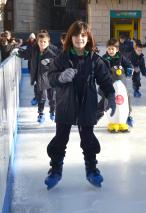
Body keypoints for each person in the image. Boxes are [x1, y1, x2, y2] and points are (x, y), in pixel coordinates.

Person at [45, 21, 116, 190]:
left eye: (83, 35)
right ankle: (55, 170)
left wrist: (111, 95)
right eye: (76, 35)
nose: (80, 39)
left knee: (88, 139)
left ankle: (91, 169)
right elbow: (50, 77)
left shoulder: (94, 59)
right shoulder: (62, 58)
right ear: (71, 37)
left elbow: (105, 80)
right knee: (61, 139)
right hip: (65, 105)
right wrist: (61, 77)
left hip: (87, 106)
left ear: (88, 37)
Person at [18, 30, 59, 123]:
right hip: (39, 77)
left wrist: (50, 60)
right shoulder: (34, 49)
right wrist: (17, 52)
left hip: (51, 78)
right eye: (40, 41)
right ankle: (41, 114)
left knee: (52, 98)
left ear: (48, 41)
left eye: (44, 41)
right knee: (41, 97)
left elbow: (59, 60)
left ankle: (53, 112)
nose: (42, 43)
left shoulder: (54, 50)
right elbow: (25, 53)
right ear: (37, 41)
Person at [97, 38, 134, 127]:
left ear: (117, 49)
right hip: (109, 82)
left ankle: (128, 116)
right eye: (109, 49)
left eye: (112, 49)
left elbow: (128, 64)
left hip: (120, 81)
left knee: (127, 96)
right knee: (105, 95)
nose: (110, 51)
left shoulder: (121, 57)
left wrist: (130, 69)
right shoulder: (104, 58)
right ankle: (98, 113)